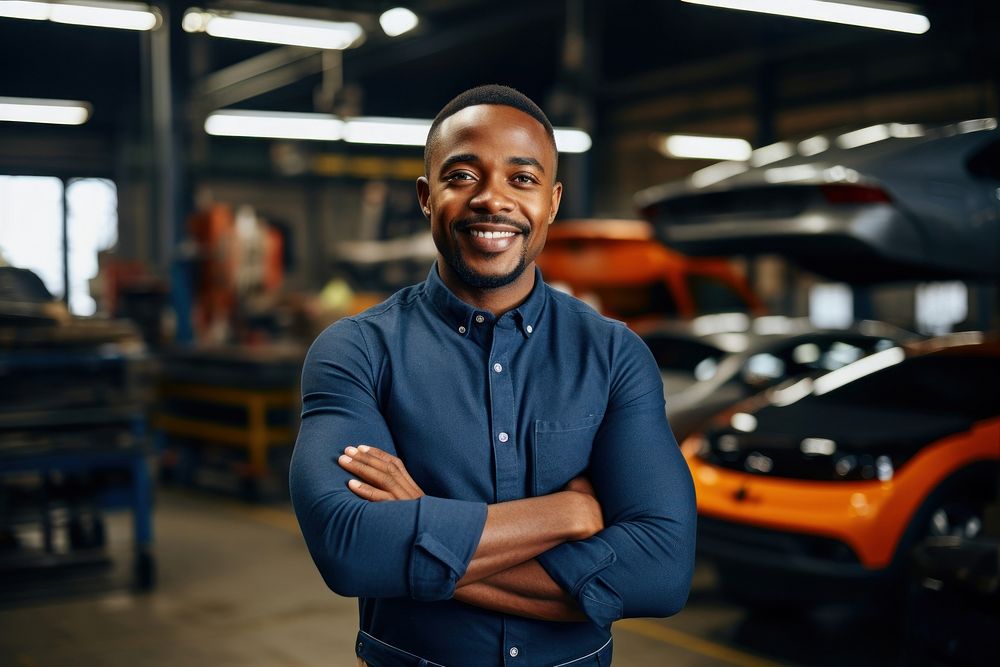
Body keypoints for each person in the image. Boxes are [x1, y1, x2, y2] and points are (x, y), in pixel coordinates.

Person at [290, 84, 696, 666]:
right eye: (462, 176)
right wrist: (569, 515)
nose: (492, 200)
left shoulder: (614, 354)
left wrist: (420, 533)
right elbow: (349, 548)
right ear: (427, 198)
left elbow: (661, 572)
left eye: (522, 179)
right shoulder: (357, 350)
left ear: (552, 203)